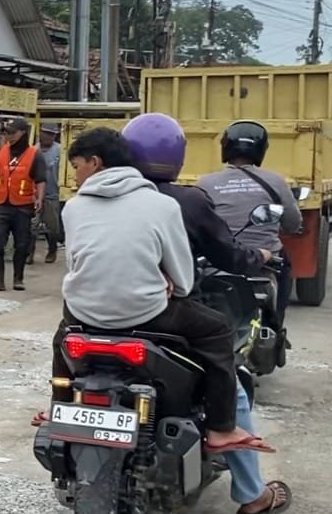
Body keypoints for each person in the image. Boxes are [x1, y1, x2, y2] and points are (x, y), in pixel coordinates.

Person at [53, 126, 270, 455]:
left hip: (83, 312)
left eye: (76, 166)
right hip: (147, 313)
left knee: (61, 339)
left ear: (95, 163)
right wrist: (164, 282)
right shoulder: (162, 205)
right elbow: (182, 280)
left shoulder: (72, 207)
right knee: (218, 330)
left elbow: (77, 263)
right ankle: (221, 428)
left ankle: (60, 406)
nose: (74, 176)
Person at [123, 113, 291, 514]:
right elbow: (227, 253)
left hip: (96, 313)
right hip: (162, 314)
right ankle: (251, 492)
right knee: (229, 376)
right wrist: (260, 256)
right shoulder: (185, 200)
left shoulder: (98, 196)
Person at [197, 120, 303, 333]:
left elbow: (197, 225)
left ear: (225, 147)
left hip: (217, 261)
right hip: (264, 262)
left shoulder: (205, 183)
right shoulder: (275, 181)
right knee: (284, 263)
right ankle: (276, 326)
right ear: (261, 150)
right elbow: (293, 224)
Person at [0, 118, 49, 292]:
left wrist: (39, 199)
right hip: (0, 204)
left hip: (23, 206)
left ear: (23, 133)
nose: (9, 136)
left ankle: (18, 279)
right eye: (7, 133)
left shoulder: (35, 154)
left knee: (21, 245)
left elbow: (40, 180)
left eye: (13, 133)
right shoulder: (0, 152)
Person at [28, 123, 63, 265]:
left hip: (52, 194)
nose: (49, 136)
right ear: (40, 133)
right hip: (34, 194)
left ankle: (52, 249)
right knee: (31, 226)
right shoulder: (33, 150)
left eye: (52, 134)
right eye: (46, 133)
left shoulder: (60, 150)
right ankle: (29, 253)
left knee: (52, 227)